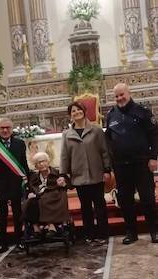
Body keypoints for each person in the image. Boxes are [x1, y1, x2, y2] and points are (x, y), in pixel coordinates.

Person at [106, 83, 158, 245]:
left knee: (147, 198)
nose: (119, 98)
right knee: (125, 200)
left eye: (122, 94)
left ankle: (154, 231)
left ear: (129, 93)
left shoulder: (142, 112)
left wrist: (153, 157)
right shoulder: (111, 114)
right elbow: (109, 138)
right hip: (121, 165)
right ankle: (131, 232)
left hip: (141, 163)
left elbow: (154, 136)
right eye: (116, 96)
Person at [60, 101, 111, 244]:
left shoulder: (96, 130)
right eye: (73, 111)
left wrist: (107, 170)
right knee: (86, 207)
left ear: (84, 111)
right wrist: (64, 174)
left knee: (100, 206)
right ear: (70, 116)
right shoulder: (67, 134)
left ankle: (103, 234)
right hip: (79, 176)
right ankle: (90, 234)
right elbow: (64, 156)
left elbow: (104, 152)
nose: (76, 112)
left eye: (78, 110)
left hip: (96, 174)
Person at [0, 117, 30, 254]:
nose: (5, 130)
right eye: (2, 128)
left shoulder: (20, 143)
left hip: (16, 184)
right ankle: (2, 243)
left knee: (18, 214)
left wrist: (28, 180)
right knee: (2, 216)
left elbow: (23, 164)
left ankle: (19, 240)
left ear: (12, 129)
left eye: (8, 128)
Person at [24, 152, 70, 238]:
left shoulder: (57, 173)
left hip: (55, 197)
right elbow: (30, 188)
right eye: (38, 163)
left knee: (44, 200)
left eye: (43, 161)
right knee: (30, 202)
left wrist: (64, 183)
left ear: (48, 162)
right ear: (36, 166)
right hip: (40, 197)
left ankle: (51, 225)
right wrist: (31, 193)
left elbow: (69, 184)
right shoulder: (34, 177)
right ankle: (36, 228)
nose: (41, 164)